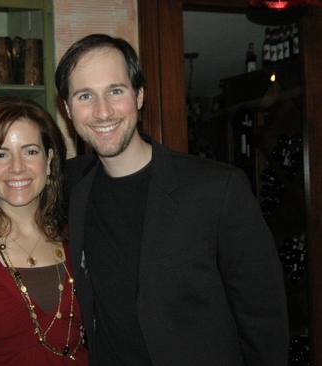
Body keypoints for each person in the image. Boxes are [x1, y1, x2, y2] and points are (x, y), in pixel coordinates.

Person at [55, 33, 289, 365]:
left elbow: (264, 321)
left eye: (115, 91)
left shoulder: (218, 189)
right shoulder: (71, 183)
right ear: (67, 108)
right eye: (85, 96)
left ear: (139, 95)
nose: (102, 111)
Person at [0, 97, 88, 365]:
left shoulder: (80, 236)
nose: (17, 167)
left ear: (49, 160)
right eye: (1, 154)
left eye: (30, 151)